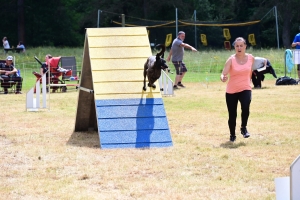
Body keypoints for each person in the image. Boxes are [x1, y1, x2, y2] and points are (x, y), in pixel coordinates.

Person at [220, 37, 254, 142]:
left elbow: (252, 69)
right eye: (237, 46)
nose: (239, 48)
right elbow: (223, 74)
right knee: (232, 114)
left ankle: (243, 128)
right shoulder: (231, 59)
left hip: (245, 88)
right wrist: (223, 78)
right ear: (235, 47)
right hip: (232, 91)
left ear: (245, 46)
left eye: (241, 46)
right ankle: (232, 134)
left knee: (246, 107)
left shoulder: (250, 58)